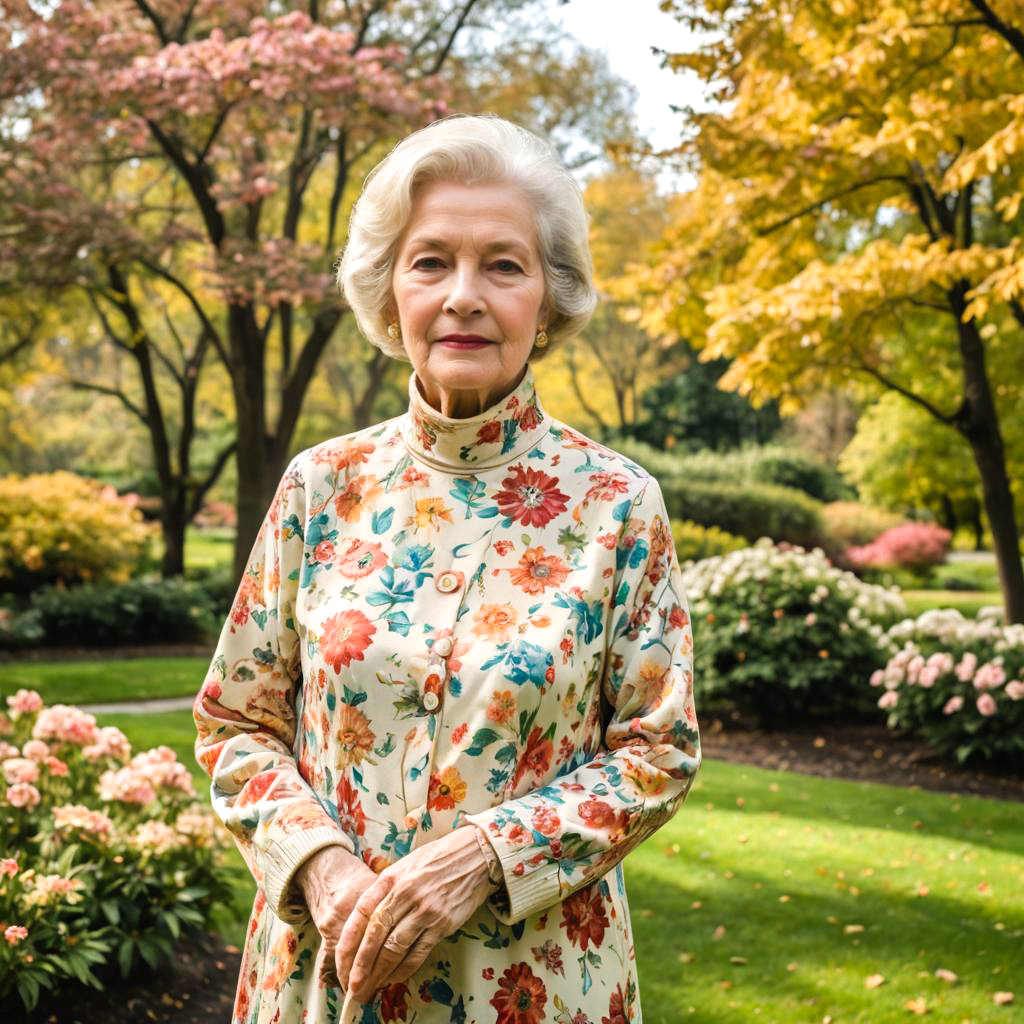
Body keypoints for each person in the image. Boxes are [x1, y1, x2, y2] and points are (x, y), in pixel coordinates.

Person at [193, 113, 701, 1024]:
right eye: (431, 261)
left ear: (548, 300)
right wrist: (321, 863)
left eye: (503, 265)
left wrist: (484, 858)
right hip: (323, 969)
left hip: (537, 984)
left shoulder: (618, 504)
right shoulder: (320, 487)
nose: (464, 295)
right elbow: (235, 722)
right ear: (391, 295)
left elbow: (657, 751)